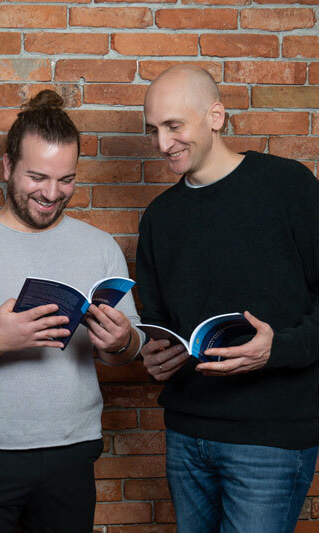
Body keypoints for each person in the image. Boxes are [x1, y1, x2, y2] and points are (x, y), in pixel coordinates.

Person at [0, 90, 143, 532]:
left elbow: (127, 346)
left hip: (72, 451)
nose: (52, 193)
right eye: (37, 177)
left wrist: (122, 342)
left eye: (67, 179)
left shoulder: (100, 248)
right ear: (7, 167)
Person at [137, 64, 319, 532]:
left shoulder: (288, 186)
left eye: (174, 126)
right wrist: (155, 358)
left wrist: (276, 348)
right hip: (185, 435)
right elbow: (160, 324)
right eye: (153, 130)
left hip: (270, 439)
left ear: (215, 116)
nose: (162, 144)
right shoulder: (159, 219)